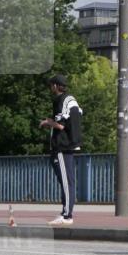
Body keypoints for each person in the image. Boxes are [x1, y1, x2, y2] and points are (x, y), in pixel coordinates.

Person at [39, 75, 82, 227]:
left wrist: (47, 122)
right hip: (68, 145)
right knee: (67, 181)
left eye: (51, 85)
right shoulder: (70, 99)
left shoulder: (61, 100)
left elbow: (61, 125)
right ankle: (65, 212)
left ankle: (67, 215)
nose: (50, 88)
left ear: (56, 86)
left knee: (66, 182)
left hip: (62, 147)